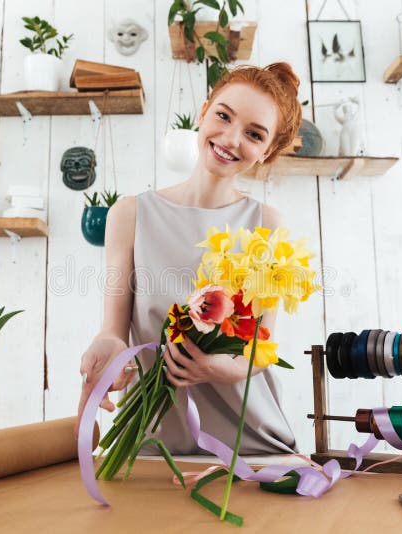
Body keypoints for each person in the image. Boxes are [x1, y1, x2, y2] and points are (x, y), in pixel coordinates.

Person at [77, 62, 303, 454]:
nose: (231, 139)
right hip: (152, 440)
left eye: (253, 134)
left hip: (249, 444)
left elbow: (259, 348)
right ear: (203, 113)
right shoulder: (130, 214)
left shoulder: (266, 224)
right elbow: (113, 329)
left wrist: (219, 370)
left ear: (267, 152)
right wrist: (109, 351)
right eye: (223, 116)